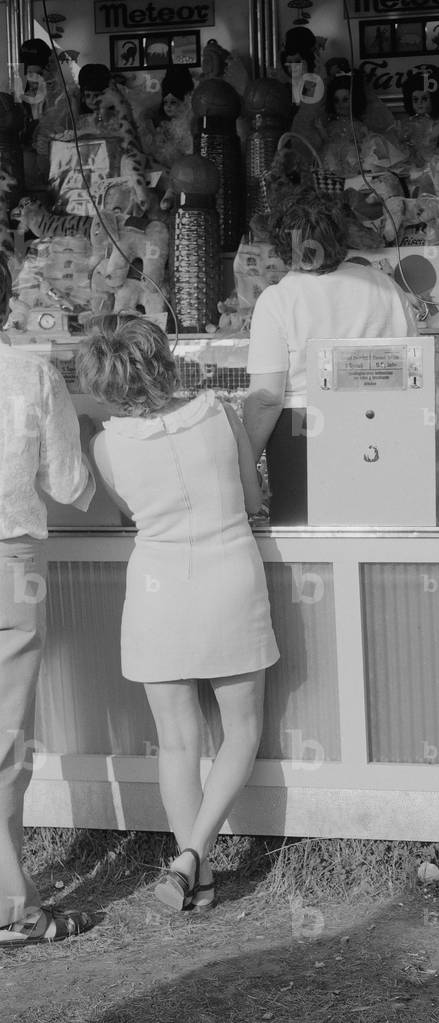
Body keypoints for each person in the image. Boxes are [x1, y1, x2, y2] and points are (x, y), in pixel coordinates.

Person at [77, 315, 279, 912]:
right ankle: (193, 857)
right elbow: (252, 496)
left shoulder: (105, 444)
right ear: (162, 360)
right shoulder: (218, 412)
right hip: (230, 576)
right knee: (241, 730)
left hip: (156, 589)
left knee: (176, 743)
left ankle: (196, 869)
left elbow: (126, 512)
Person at [0, 254, 96, 944]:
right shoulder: (30, 373)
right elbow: (68, 484)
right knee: (5, 740)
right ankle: (14, 909)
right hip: (12, 561)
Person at [243, 188, 418, 524]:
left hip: (303, 435)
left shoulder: (279, 299)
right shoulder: (386, 288)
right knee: (379, 535)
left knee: (310, 547)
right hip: (382, 430)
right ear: (340, 236)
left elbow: (266, 399)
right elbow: (414, 377)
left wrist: (243, 463)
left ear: (282, 245)